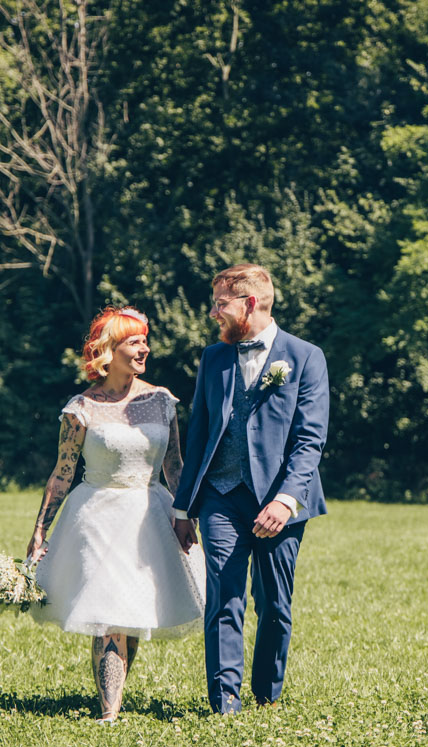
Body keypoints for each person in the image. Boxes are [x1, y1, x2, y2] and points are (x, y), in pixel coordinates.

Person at [26, 306, 205, 723]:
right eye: (133, 342)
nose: (144, 348)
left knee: (133, 611)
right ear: (108, 351)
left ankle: (115, 695)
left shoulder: (162, 401)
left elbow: (174, 466)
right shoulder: (81, 408)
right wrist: (40, 530)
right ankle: (109, 712)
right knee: (110, 614)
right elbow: (62, 472)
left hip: (150, 516)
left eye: (145, 340)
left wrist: (185, 516)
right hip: (97, 517)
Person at [171, 264, 330, 714]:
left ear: (250, 304)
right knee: (224, 595)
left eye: (221, 303)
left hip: (281, 501)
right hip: (222, 495)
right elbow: (198, 433)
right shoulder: (214, 358)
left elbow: (310, 439)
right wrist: (184, 508)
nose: (213, 312)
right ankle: (225, 702)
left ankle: (266, 698)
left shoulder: (305, 357)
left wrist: (285, 499)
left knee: (275, 605)